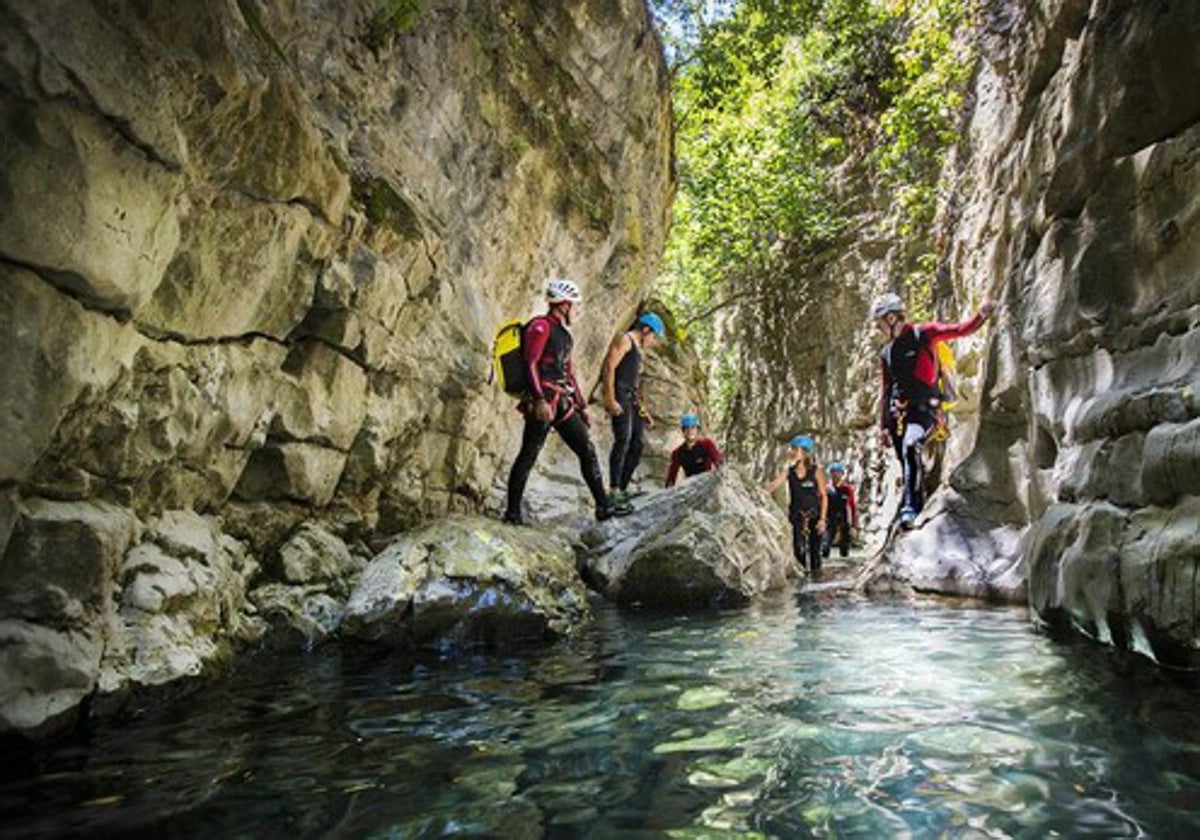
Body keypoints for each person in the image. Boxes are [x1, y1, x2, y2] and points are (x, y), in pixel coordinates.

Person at [503, 278, 624, 524]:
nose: (577, 311)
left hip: (562, 402)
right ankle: (512, 513)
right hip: (544, 401)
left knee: (586, 450)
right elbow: (530, 363)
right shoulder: (540, 326)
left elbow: (568, 374)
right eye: (574, 306)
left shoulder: (564, 336)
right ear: (564, 304)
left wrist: (582, 407)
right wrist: (538, 400)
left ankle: (603, 507)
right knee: (528, 454)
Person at [872, 292, 995, 529]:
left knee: (911, 446)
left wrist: (983, 314)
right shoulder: (886, 353)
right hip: (898, 415)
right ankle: (913, 500)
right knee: (906, 457)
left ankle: (911, 508)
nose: (878, 329)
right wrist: (883, 428)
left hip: (925, 411)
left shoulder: (924, 334)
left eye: (879, 323)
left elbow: (960, 329)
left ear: (891, 318)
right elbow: (886, 391)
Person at [602, 312, 664, 510]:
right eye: (653, 336)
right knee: (623, 440)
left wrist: (643, 411)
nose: (653, 341)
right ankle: (613, 491)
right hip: (619, 393)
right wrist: (609, 398)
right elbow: (609, 366)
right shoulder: (626, 339)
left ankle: (622, 487)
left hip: (630, 397)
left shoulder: (638, 348)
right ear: (645, 330)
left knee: (636, 444)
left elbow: (633, 383)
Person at [764, 435, 828, 575]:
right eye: (792, 448)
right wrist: (758, 490)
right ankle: (802, 590)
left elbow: (823, 496)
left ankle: (815, 587)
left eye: (795, 449)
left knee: (815, 555)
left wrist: (822, 520)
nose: (792, 452)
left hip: (814, 516)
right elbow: (773, 485)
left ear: (805, 452)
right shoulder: (789, 472)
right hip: (796, 517)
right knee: (799, 551)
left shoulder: (816, 471)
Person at [665, 413, 723, 487]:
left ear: (697, 430)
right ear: (683, 431)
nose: (690, 431)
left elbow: (717, 460)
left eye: (693, 428)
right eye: (687, 428)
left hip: (706, 484)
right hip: (691, 488)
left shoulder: (707, 445)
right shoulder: (678, 453)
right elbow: (671, 476)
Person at [822, 463, 858, 559]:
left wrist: (854, 526)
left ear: (842, 474)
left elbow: (853, 507)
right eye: (833, 472)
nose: (835, 475)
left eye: (838, 472)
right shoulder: (827, 489)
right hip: (830, 519)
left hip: (844, 520)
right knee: (825, 547)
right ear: (830, 474)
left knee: (844, 549)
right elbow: (821, 504)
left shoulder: (847, 489)